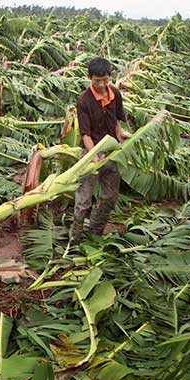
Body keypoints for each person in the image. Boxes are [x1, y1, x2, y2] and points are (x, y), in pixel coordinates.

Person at [72, 57, 130, 242]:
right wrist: (94, 154)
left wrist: (119, 133)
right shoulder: (83, 100)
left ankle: (95, 231)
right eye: (97, 81)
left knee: (110, 197)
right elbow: (85, 134)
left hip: (111, 152)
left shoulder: (114, 93)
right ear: (90, 77)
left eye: (105, 80)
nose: (102, 84)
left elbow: (117, 119)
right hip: (90, 153)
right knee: (83, 200)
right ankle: (77, 237)